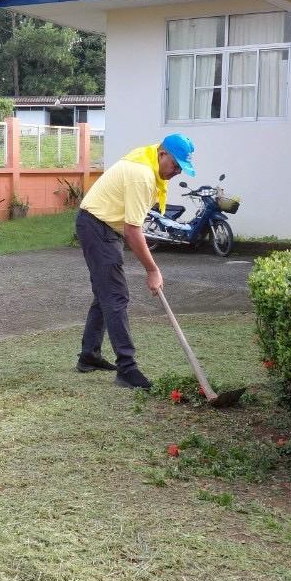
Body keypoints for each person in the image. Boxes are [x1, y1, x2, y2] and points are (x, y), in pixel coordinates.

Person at [75, 133, 195, 389]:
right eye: (175, 165)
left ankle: (89, 355)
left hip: (101, 225)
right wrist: (152, 270)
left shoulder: (150, 161)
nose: (177, 173)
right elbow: (133, 230)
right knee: (116, 296)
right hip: (98, 228)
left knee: (105, 295)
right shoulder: (141, 175)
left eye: (181, 169)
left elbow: (132, 226)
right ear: (163, 154)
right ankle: (127, 369)